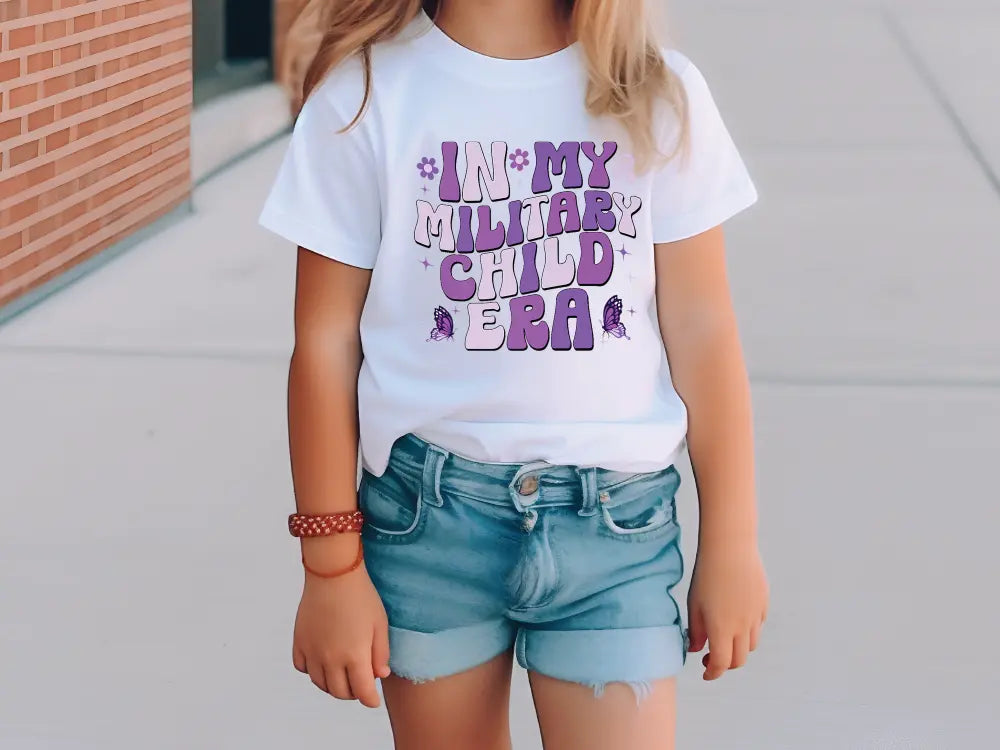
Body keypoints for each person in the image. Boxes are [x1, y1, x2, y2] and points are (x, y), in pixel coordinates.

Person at [259, 1, 768, 748]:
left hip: (615, 533)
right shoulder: (365, 94)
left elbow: (704, 330)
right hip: (428, 527)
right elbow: (325, 341)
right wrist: (330, 568)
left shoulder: (656, 93)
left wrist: (732, 541)